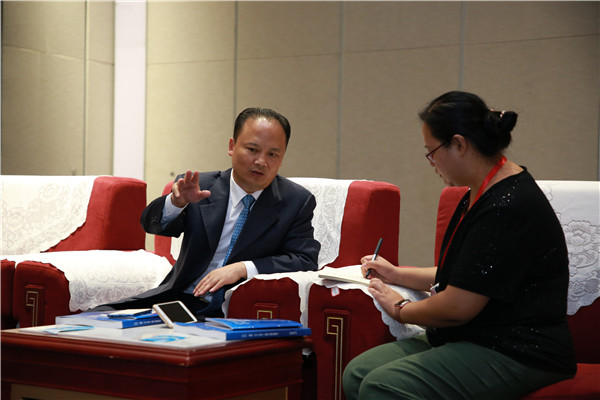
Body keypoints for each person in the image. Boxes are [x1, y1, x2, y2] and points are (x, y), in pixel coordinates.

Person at [342, 91, 576, 399]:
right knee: (357, 373)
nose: (432, 162)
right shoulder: (482, 190)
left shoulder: (508, 205)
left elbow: (458, 306)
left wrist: (401, 309)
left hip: (518, 348)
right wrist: (396, 273)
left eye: (432, 152)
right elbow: (466, 275)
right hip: (475, 335)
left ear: (459, 144)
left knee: (382, 385)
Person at [94, 107, 320, 317]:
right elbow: (152, 225)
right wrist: (177, 202)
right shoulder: (200, 187)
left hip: (234, 307)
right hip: (180, 299)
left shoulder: (295, 201)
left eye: (273, 154)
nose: (261, 161)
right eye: (252, 150)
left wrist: (243, 268)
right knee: (100, 317)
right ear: (232, 146)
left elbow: (304, 259)